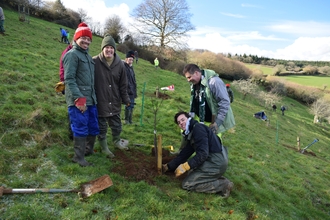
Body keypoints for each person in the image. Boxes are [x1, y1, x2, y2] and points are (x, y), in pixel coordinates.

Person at [162, 111, 233, 197]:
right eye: (179, 122)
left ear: (188, 118)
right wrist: (168, 166)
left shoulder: (198, 129)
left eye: (182, 119)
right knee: (191, 172)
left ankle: (223, 185)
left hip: (216, 162)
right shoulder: (192, 131)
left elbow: (203, 154)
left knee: (187, 184)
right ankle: (214, 177)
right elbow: (184, 154)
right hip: (215, 160)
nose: (181, 123)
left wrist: (185, 166)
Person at [63, 22, 99, 167]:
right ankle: (78, 157)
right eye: (83, 38)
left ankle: (87, 150)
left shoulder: (88, 57)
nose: (86, 41)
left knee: (92, 125)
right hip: (78, 100)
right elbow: (69, 79)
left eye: (89, 39)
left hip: (91, 99)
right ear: (76, 38)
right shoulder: (72, 55)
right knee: (80, 126)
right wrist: (79, 99)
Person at [93, 34, 131, 157]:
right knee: (102, 126)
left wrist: (126, 99)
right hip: (100, 100)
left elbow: (123, 84)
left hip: (114, 100)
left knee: (116, 124)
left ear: (114, 49)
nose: (109, 50)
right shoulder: (94, 62)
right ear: (102, 48)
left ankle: (116, 141)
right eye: (106, 47)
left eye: (111, 47)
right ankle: (104, 147)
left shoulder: (120, 64)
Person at [183, 64, 235, 137]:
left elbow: (225, 102)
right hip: (202, 119)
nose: (188, 80)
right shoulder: (194, 84)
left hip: (214, 121)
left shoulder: (214, 82)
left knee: (214, 143)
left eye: (189, 77)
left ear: (196, 73)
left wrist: (217, 123)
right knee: (201, 142)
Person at [59, 41, 73, 140]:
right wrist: (63, 81)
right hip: (68, 83)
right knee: (72, 106)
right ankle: (71, 132)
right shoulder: (68, 52)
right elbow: (63, 69)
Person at [123, 50, 137, 125]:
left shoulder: (131, 68)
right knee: (128, 105)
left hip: (132, 90)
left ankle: (130, 120)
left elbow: (133, 79)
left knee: (132, 105)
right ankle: (126, 120)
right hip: (127, 90)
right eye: (129, 59)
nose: (131, 61)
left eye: (132, 60)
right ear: (126, 59)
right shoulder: (124, 67)